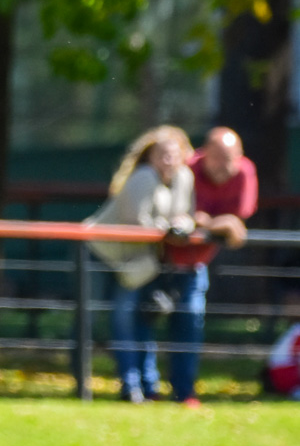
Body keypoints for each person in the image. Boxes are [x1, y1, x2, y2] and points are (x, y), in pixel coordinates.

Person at [86, 126, 196, 403]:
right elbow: (137, 222)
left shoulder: (184, 177)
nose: (168, 160)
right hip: (102, 254)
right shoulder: (144, 176)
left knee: (138, 321)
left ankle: (143, 386)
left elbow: (184, 215)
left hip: (138, 264)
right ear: (150, 157)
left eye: (173, 154)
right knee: (94, 321)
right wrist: (167, 229)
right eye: (161, 155)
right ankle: (118, 386)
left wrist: (183, 225)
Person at [159, 127, 258, 405]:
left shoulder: (245, 173)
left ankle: (183, 393)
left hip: (195, 265)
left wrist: (207, 221)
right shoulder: (186, 169)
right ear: (203, 155)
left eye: (229, 159)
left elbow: (236, 222)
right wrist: (213, 222)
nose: (223, 167)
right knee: (139, 322)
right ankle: (142, 391)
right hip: (158, 261)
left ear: (239, 157)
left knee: (190, 325)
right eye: (216, 158)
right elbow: (183, 217)